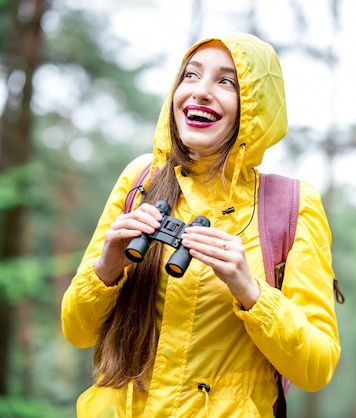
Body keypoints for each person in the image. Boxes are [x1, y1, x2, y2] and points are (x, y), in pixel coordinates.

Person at [61, 32, 341, 417]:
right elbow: (78, 331)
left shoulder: (292, 205)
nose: (201, 92)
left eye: (226, 81)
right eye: (190, 76)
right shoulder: (140, 179)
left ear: (257, 106)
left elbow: (317, 366)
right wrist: (107, 267)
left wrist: (250, 291)